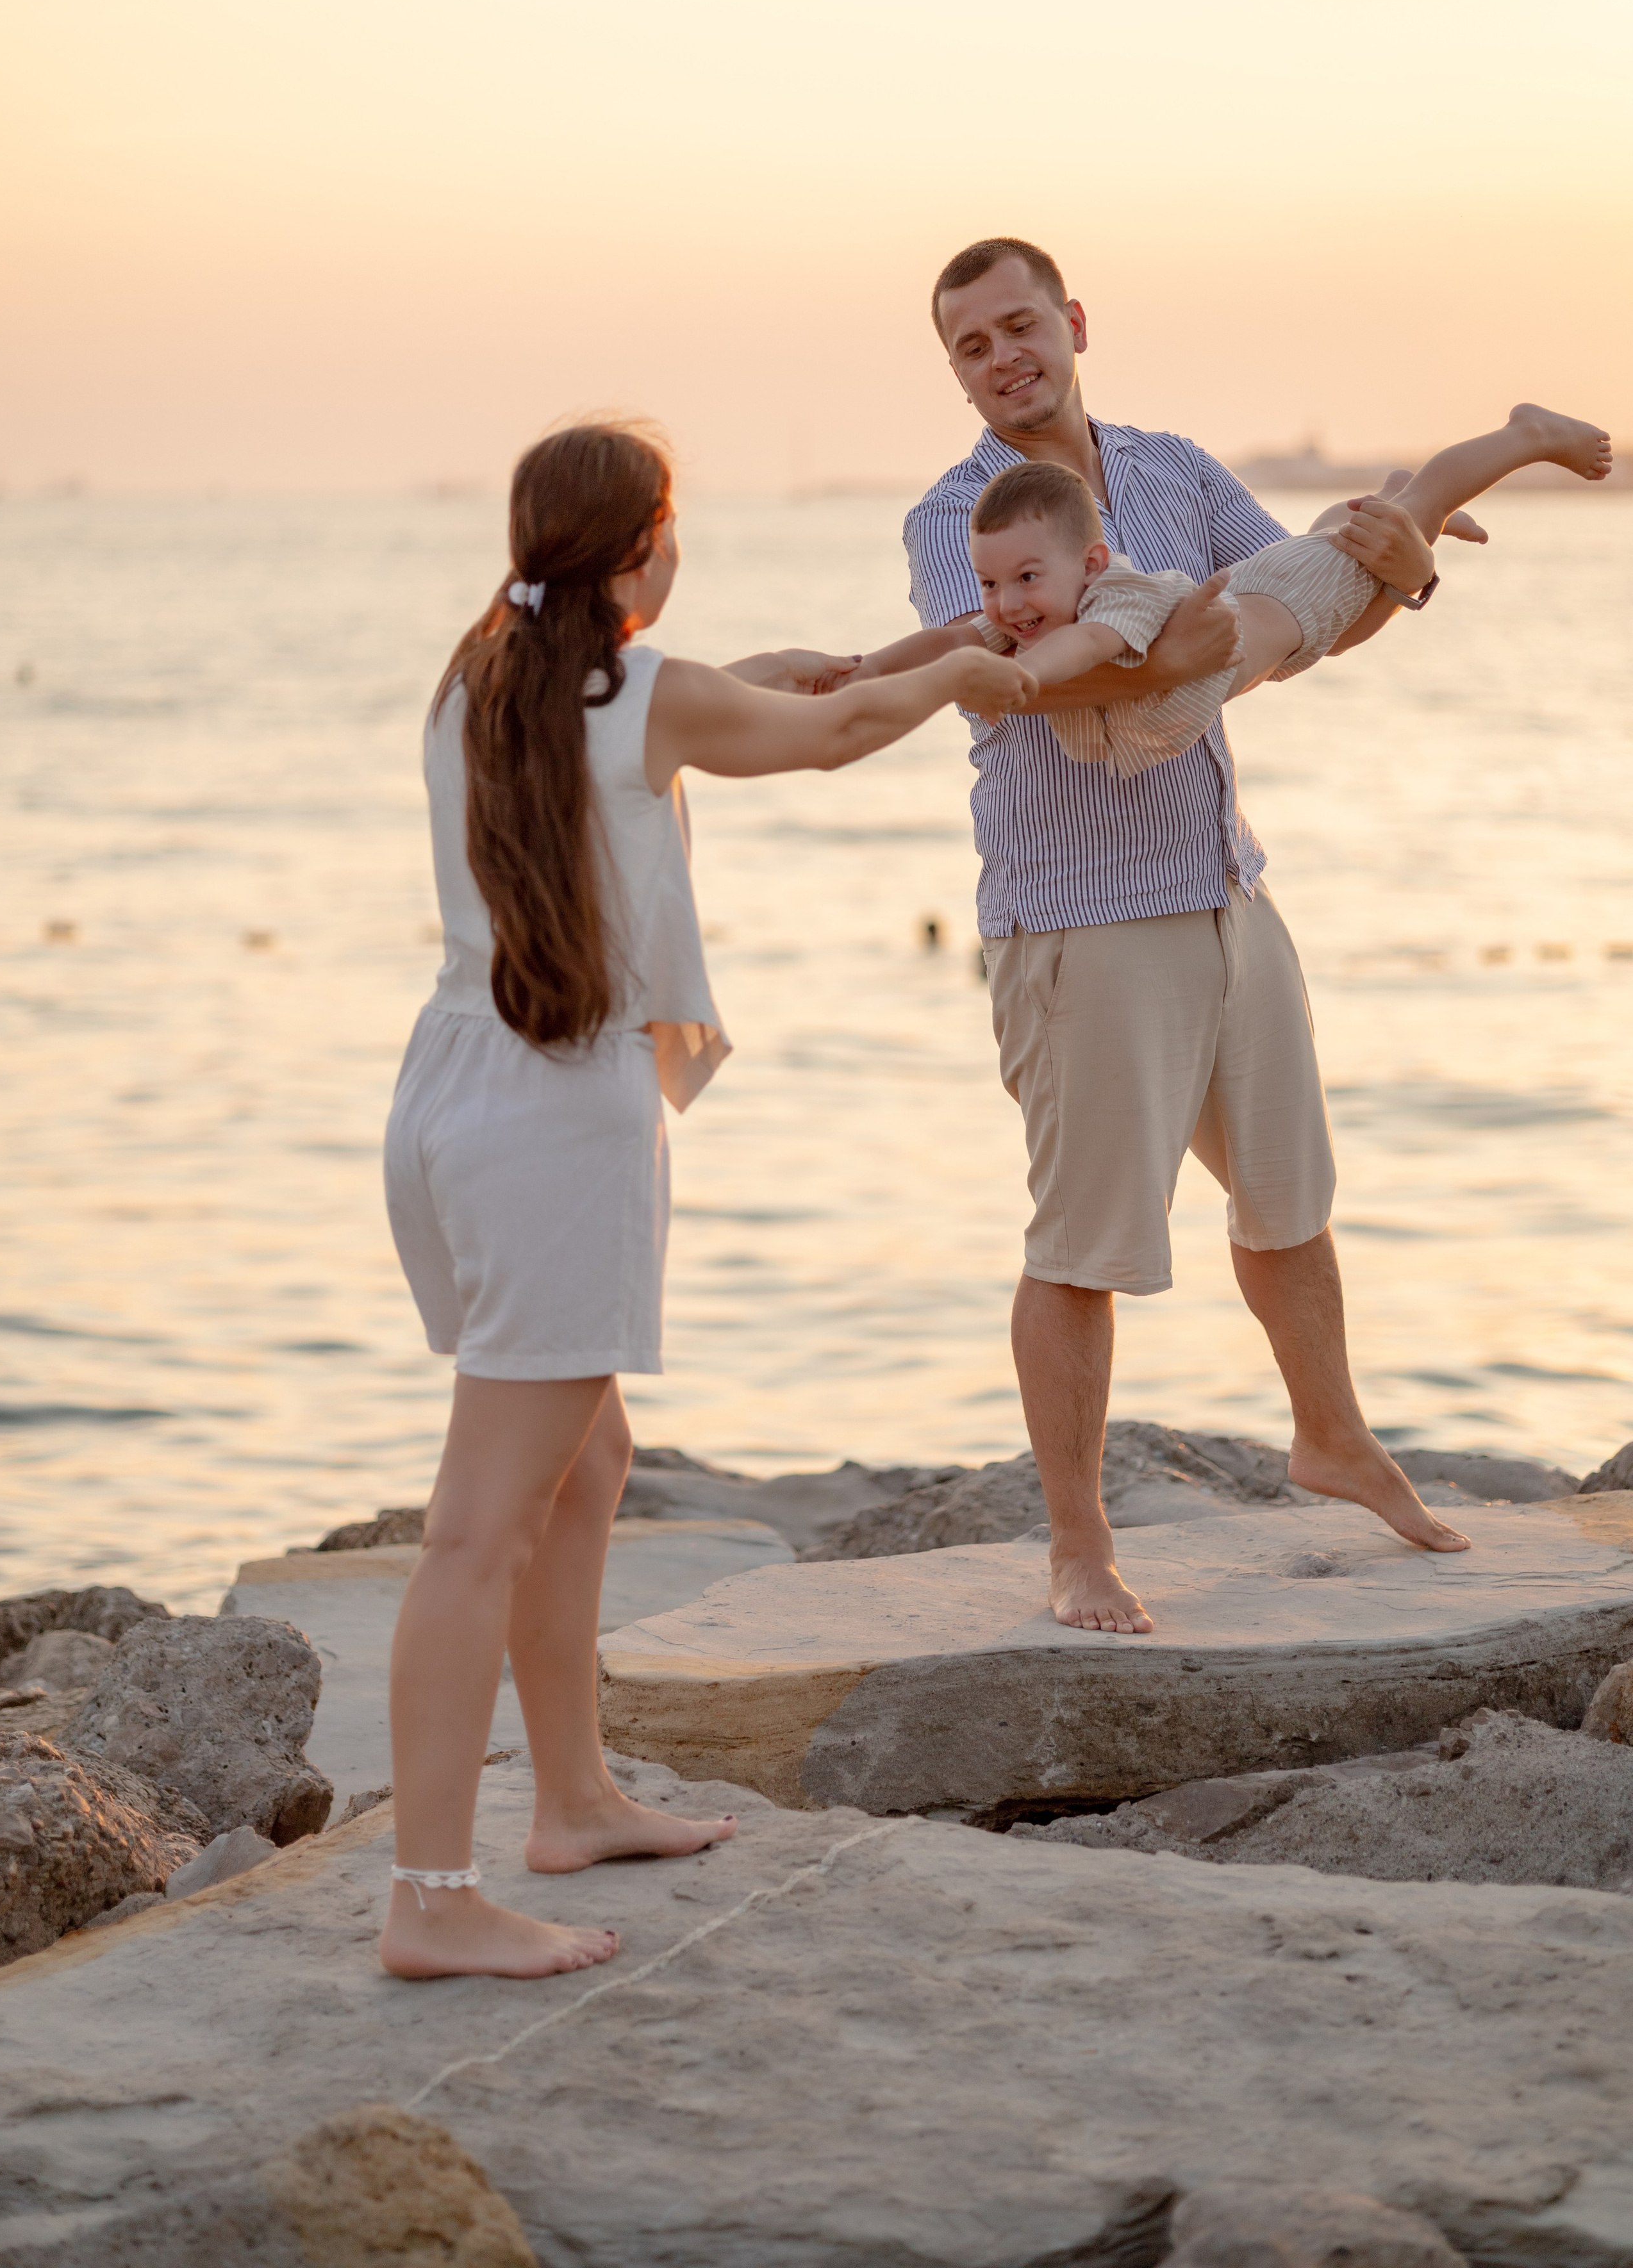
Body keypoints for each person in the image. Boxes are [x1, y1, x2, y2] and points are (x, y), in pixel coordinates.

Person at [377, 420, 1033, 1982]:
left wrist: (809, 662)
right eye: (672, 529)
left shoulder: (485, 671)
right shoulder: (632, 692)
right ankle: (425, 1895)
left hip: (452, 1087)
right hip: (557, 1112)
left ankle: (575, 1795)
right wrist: (956, 676)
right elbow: (809, 741)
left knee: (584, 1463)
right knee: (476, 1527)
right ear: (635, 549)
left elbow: (654, 721)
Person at [849, 235, 1484, 1637]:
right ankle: (1076, 1550)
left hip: (1221, 887)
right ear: (954, 370)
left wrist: (1397, 565)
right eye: (970, 344)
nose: (1002, 356)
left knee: (1288, 1205)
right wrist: (1216, 631)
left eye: (1019, 324)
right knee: (1081, 1246)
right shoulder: (950, 518)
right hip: (1081, 924)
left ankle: (1331, 1440)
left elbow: (1291, 625)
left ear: (1071, 321)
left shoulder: (1175, 470)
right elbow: (1043, 671)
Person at [960, 400, 1608, 773]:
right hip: (1279, 596)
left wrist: (1011, 685)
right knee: (1340, 546)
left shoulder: (1108, 608)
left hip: (1287, 603)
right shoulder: (1033, 595)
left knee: (1425, 507)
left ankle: (1527, 435)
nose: (1007, 599)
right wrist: (876, 668)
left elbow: (1059, 662)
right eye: (991, 584)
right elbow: (951, 641)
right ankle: (1389, 502)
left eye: (1023, 579)